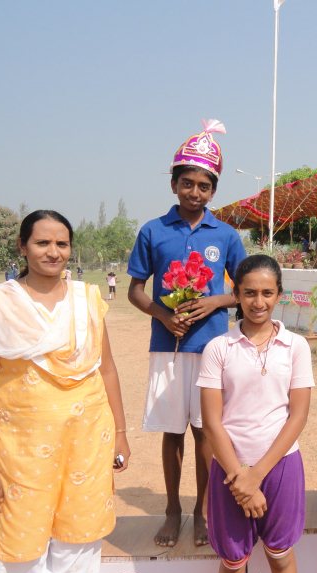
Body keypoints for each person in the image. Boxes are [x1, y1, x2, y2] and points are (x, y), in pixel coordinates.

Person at [0, 210, 130, 573]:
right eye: (42, 243)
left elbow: (106, 370)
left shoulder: (87, 300)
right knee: (19, 551)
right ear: (22, 246)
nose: (54, 252)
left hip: (86, 446)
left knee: (79, 546)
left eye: (62, 244)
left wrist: (120, 433)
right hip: (18, 454)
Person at [127, 119, 246, 548]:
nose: (195, 192)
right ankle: (173, 510)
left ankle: (203, 512)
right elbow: (135, 291)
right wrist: (163, 316)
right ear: (174, 184)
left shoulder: (226, 235)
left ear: (214, 191)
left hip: (213, 347)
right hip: (169, 348)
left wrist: (216, 302)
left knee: (206, 434)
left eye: (204, 186)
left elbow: (245, 290)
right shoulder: (153, 231)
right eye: (188, 183)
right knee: (172, 431)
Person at [198, 255, 313, 573]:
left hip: (281, 465)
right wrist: (240, 477)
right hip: (229, 469)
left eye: (267, 293)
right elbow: (211, 421)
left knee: (281, 555)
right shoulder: (218, 348)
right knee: (233, 561)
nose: (258, 302)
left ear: (279, 294)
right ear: (236, 294)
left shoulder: (296, 346)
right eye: (249, 293)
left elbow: (298, 415)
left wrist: (256, 475)